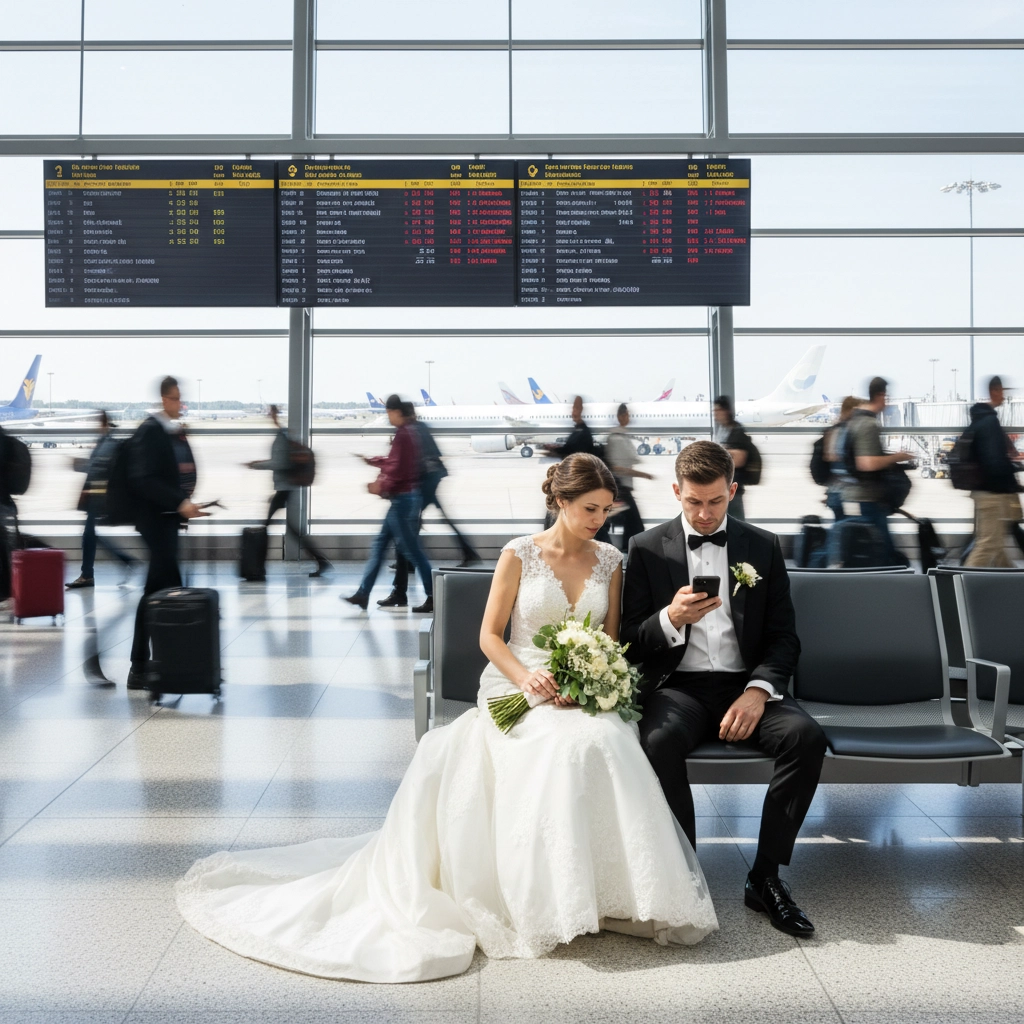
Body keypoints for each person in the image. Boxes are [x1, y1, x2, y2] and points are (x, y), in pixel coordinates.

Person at [175, 453, 717, 982]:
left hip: (580, 687)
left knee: (604, 738)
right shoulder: (519, 555)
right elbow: (489, 636)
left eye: (606, 511)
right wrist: (529, 679)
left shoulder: (610, 560)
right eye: (590, 510)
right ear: (560, 501)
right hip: (517, 679)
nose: (600, 521)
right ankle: (546, 899)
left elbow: (612, 637)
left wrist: (592, 679)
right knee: (557, 747)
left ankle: (606, 892)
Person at [621, 440, 826, 938]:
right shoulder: (646, 548)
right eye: (693, 501)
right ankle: (684, 873)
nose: (705, 513)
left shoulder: (762, 546)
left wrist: (758, 691)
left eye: (715, 501)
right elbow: (628, 641)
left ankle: (766, 876)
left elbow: (784, 638)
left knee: (806, 737)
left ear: (732, 491)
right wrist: (669, 619)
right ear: (675, 491)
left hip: (745, 683)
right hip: (680, 687)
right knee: (657, 741)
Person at [126, 377, 208, 689]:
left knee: (164, 591)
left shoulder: (170, 432)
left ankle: (164, 663)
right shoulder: (150, 431)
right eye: (175, 399)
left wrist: (185, 504)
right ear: (163, 399)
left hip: (168, 520)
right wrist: (179, 502)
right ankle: (145, 666)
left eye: (180, 398)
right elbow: (143, 479)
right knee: (158, 593)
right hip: (155, 523)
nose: (180, 404)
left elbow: (174, 475)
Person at [379, 402, 479, 608]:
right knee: (424, 525)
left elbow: (410, 464)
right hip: (430, 479)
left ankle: (402, 589)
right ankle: (467, 551)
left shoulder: (410, 431)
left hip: (423, 483)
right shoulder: (419, 427)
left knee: (405, 534)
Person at [343, 394, 434, 613]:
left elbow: (397, 470)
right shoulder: (410, 432)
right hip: (406, 498)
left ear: (394, 412)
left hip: (402, 500)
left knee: (413, 552)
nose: (388, 418)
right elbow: (396, 463)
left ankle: (433, 595)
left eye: (388, 413)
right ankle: (363, 593)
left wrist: (379, 487)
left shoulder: (403, 434)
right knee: (380, 545)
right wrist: (374, 461)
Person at [837, 377, 915, 566]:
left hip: (857, 495)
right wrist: (896, 458)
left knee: (867, 553)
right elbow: (866, 463)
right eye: (886, 396)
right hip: (868, 498)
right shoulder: (868, 425)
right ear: (880, 396)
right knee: (882, 555)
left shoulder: (855, 420)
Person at [247, 404, 331, 578]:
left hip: (285, 488)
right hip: (286, 488)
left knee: (268, 527)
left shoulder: (281, 438)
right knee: (292, 529)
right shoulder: (283, 433)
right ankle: (321, 561)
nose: (269, 416)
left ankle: (258, 569)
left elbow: (280, 463)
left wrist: (256, 465)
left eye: (270, 413)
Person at [66, 411, 137, 589]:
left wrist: (79, 464)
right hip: (97, 494)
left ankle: (88, 575)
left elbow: (99, 467)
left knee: (89, 535)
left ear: (102, 423)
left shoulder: (107, 443)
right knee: (90, 535)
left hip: (98, 496)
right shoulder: (105, 441)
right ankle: (122, 560)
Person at [964, 375, 1023, 567]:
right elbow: (994, 462)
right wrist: (1012, 483)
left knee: (996, 548)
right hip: (992, 494)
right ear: (994, 391)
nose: (1004, 396)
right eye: (1002, 391)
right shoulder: (989, 422)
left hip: (986, 492)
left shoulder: (982, 419)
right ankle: (960, 583)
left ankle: (1012, 585)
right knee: (988, 546)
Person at [605, 402, 652, 553]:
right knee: (635, 526)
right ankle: (629, 556)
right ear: (620, 416)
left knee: (631, 525)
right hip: (621, 488)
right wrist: (643, 474)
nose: (628, 418)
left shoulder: (621, 435)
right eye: (626, 415)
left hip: (623, 488)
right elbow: (617, 468)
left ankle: (627, 554)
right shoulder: (617, 438)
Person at [821, 396, 863, 523]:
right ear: (851, 410)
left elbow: (828, 458)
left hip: (834, 492)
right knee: (850, 530)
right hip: (848, 494)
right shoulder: (847, 431)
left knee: (842, 529)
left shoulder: (833, 430)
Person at [712, 395, 754, 521]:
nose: (715, 414)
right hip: (722, 488)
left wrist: (720, 453)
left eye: (718, 410)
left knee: (737, 524)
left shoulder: (737, 431)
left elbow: (739, 459)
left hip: (733, 487)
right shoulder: (722, 430)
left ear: (726, 411)